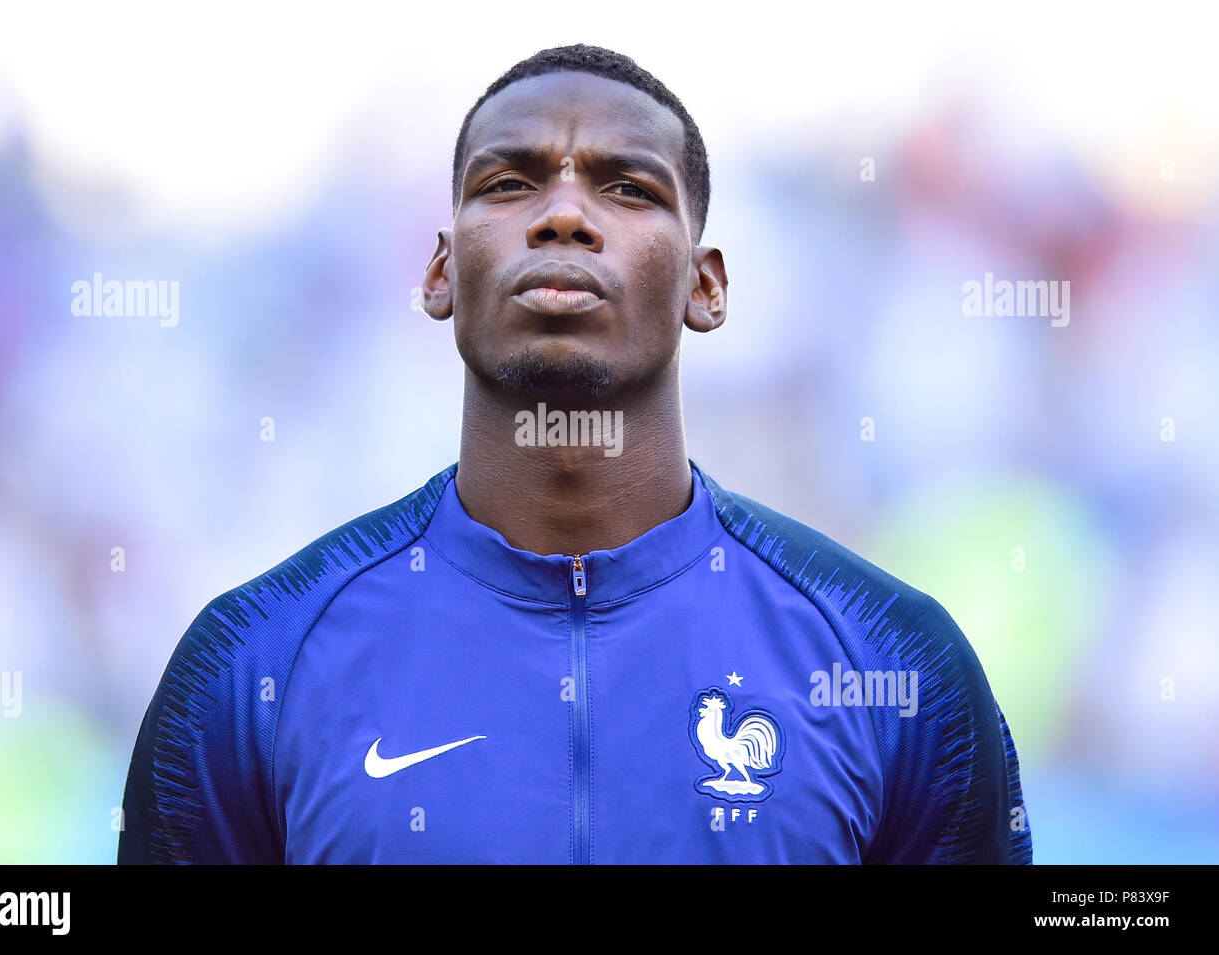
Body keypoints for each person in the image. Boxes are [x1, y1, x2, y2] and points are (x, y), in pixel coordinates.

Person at [118, 43, 1032, 864]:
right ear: (440, 274)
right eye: (509, 184)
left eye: (627, 188)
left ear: (706, 287)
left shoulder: (890, 663)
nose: (563, 215)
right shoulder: (256, 663)